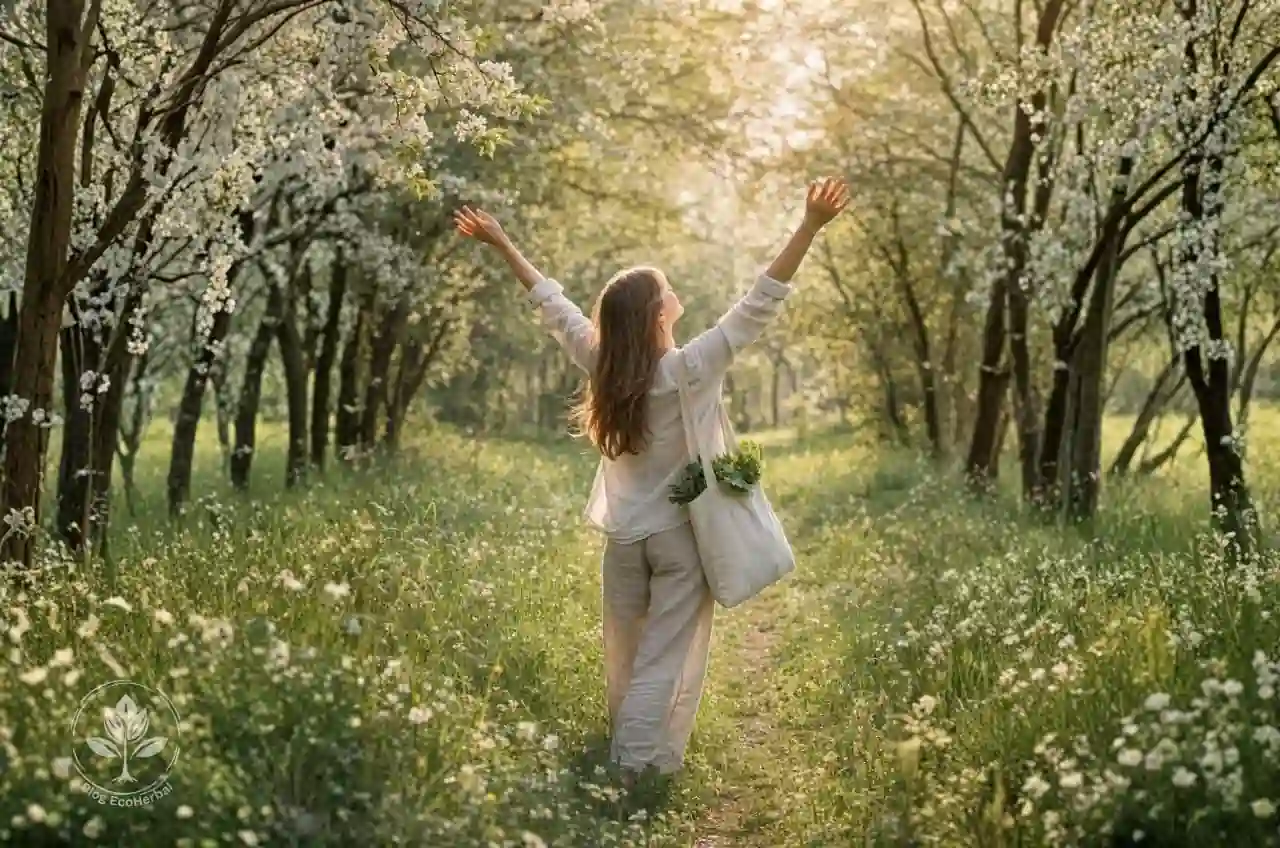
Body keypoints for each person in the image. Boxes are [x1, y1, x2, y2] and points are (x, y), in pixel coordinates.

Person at [452, 177, 849, 786]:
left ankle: (643, 759)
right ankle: (633, 769)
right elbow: (760, 301)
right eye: (667, 288)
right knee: (661, 659)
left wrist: (503, 244)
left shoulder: (601, 363)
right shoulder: (691, 367)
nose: (675, 291)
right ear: (656, 313)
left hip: (624, 537)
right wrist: (809, 226)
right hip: (679, 538)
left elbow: (552, 305)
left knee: (626, 654)